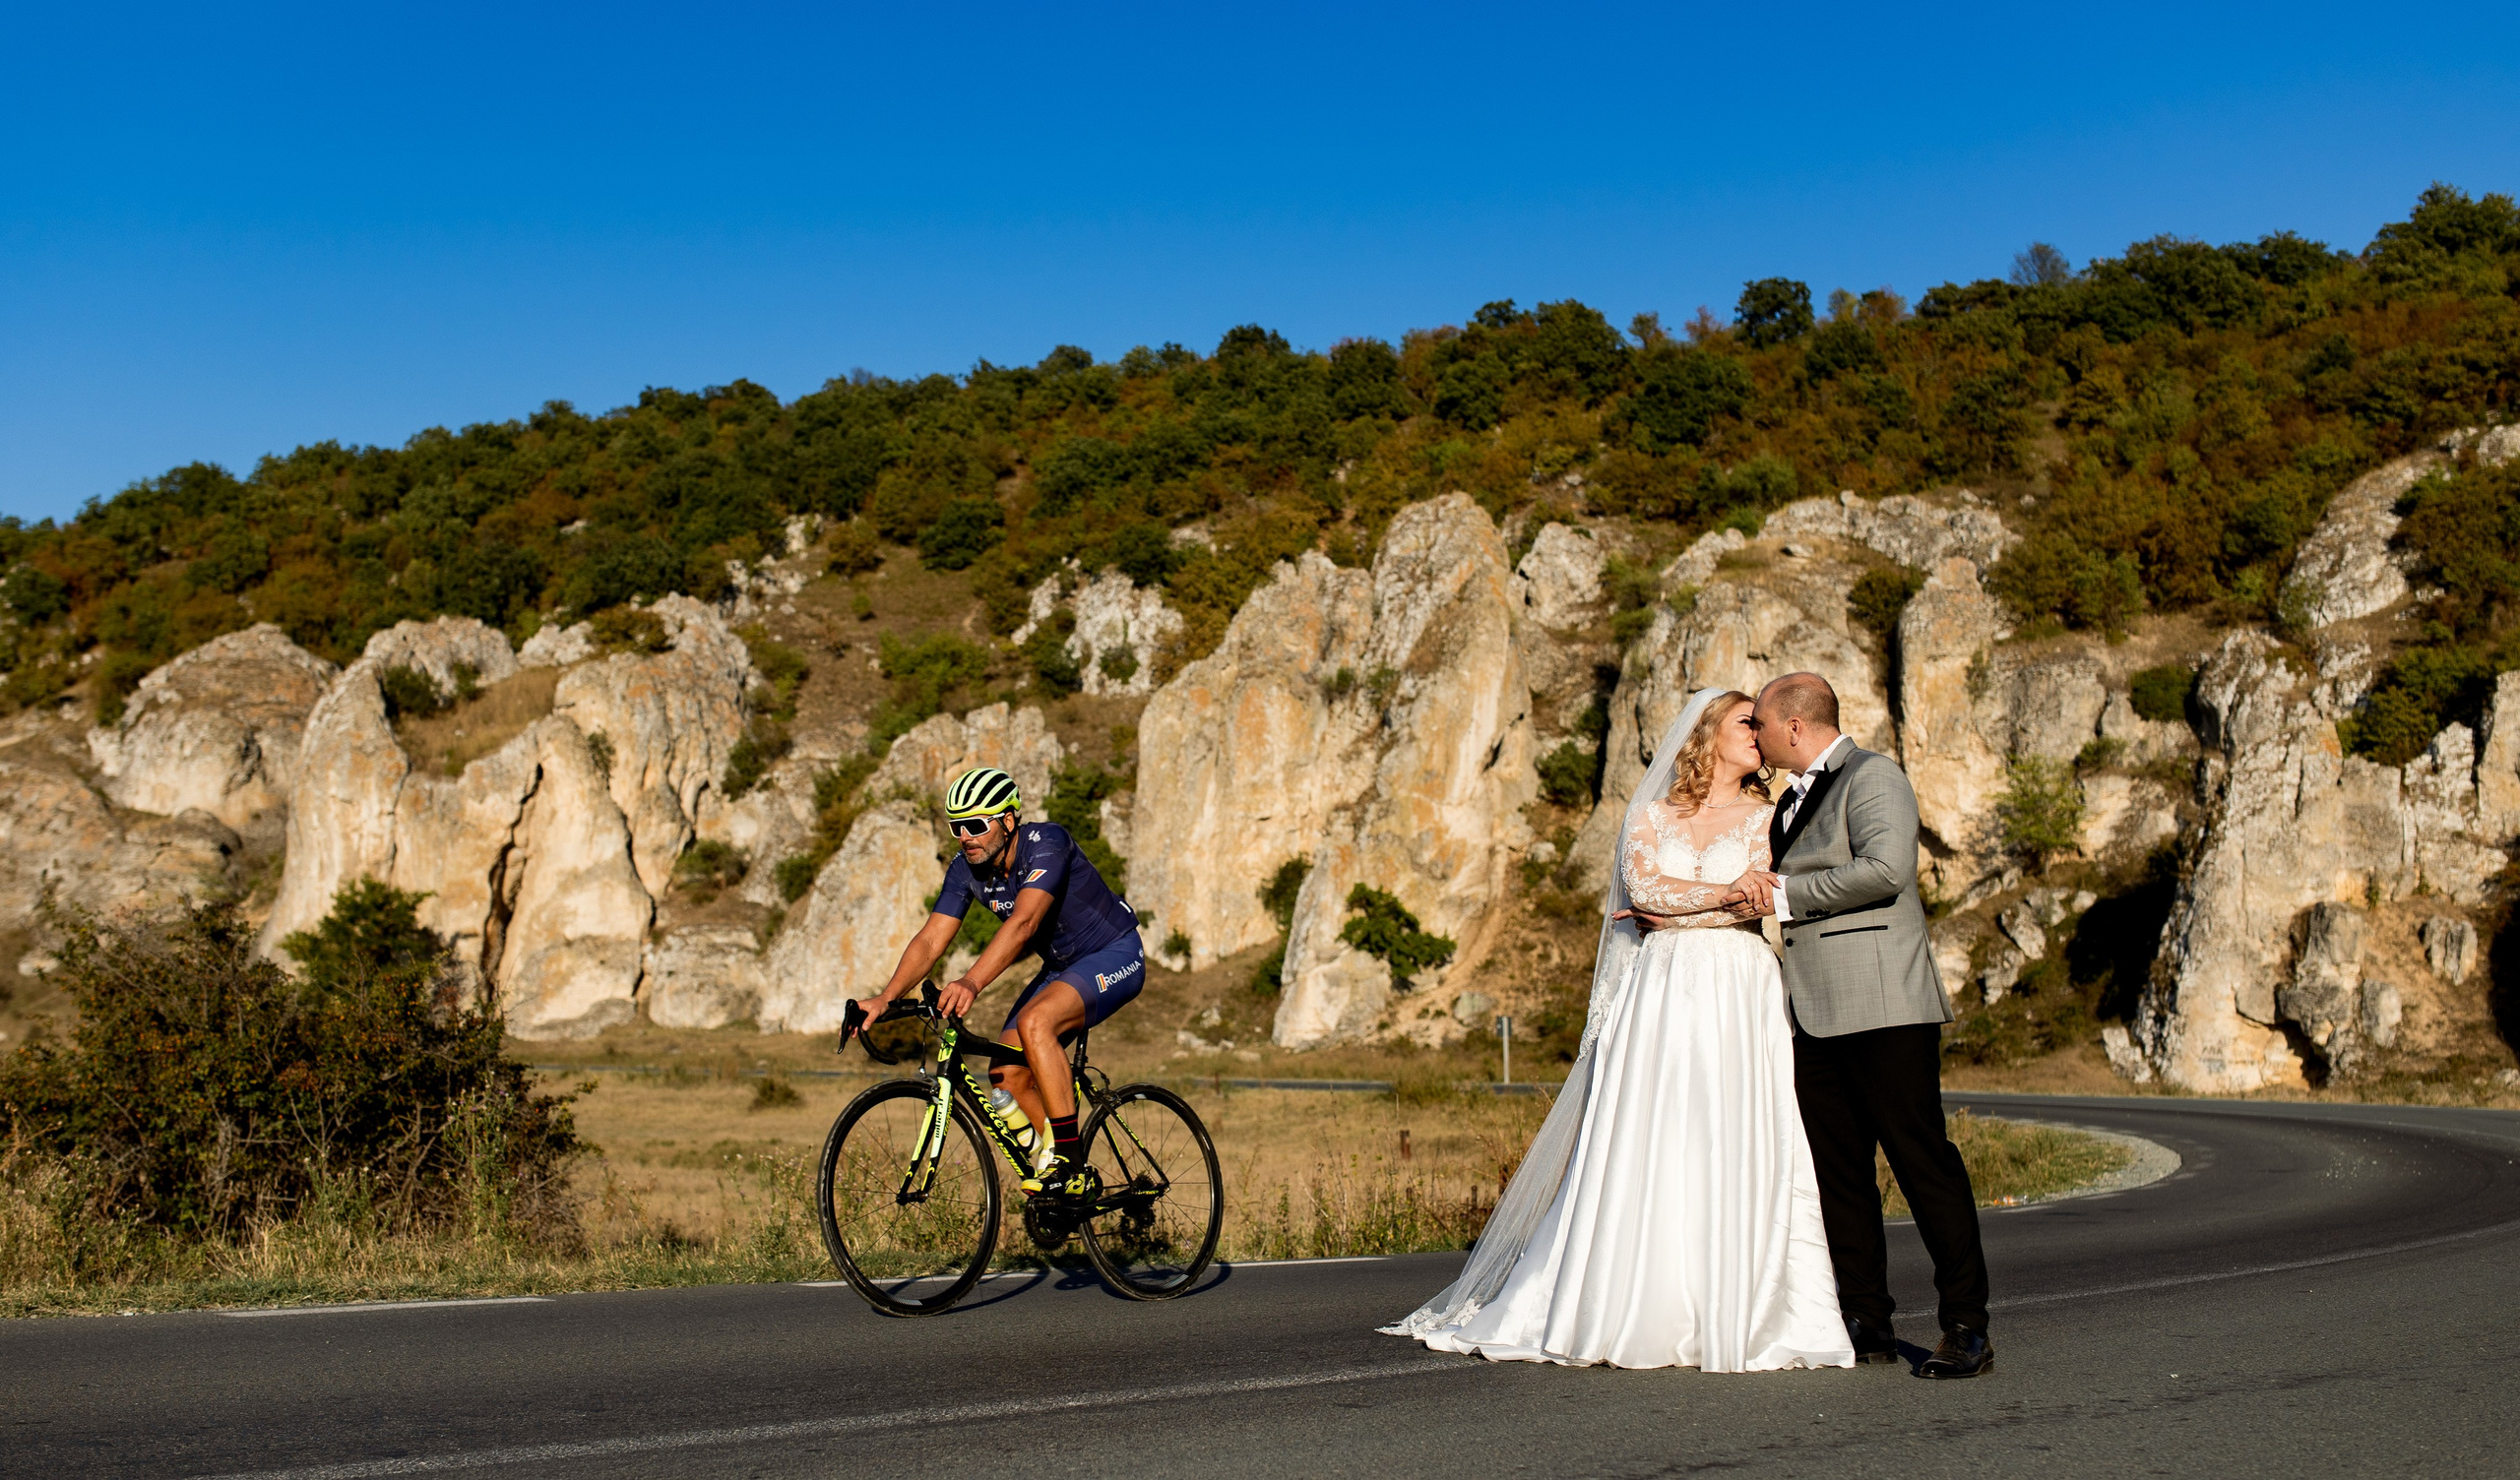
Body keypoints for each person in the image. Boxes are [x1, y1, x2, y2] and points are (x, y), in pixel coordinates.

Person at [1383, 690, 1853, 1371]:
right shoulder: (1649, 814)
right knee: (1653, 1131)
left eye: (1763, 723)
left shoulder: (1770, 815)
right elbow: (1648, 895)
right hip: (1660, 990)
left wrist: (1692, 908)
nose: (1760, 734)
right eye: (1745, 722)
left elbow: (1763, 896)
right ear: (1706, 734)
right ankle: (1628, 1299)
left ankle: (1740, 1304)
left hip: (1739, 990)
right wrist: (1723, 896)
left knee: (1732, 1129)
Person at [1748, 671, 1994, 1380]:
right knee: (1841, 1174)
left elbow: (1886, 871)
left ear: (1795, 726)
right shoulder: (1786, 801)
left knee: (1923, 1165)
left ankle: (1966, 1326)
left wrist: (1785, 897)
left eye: (1761, 724)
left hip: (1886, 1009)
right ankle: (1867, 1319)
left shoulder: (1874, 775)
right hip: (1814, 1013)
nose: (1758, 738)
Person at [848, 767, 1145, 1198]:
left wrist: (970, 982)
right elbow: (931, 940)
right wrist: (887, 997)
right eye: (956, 827)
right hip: (1062, 967)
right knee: (1006, 1073)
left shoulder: (1048, 844)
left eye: (975, 825)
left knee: (1036, 1024)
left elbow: (1024, 923)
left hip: (1114, 952)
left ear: (1008, 821)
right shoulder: (965, 869)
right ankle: (1058, 1169)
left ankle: (1070, 1165)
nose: (965, 836)